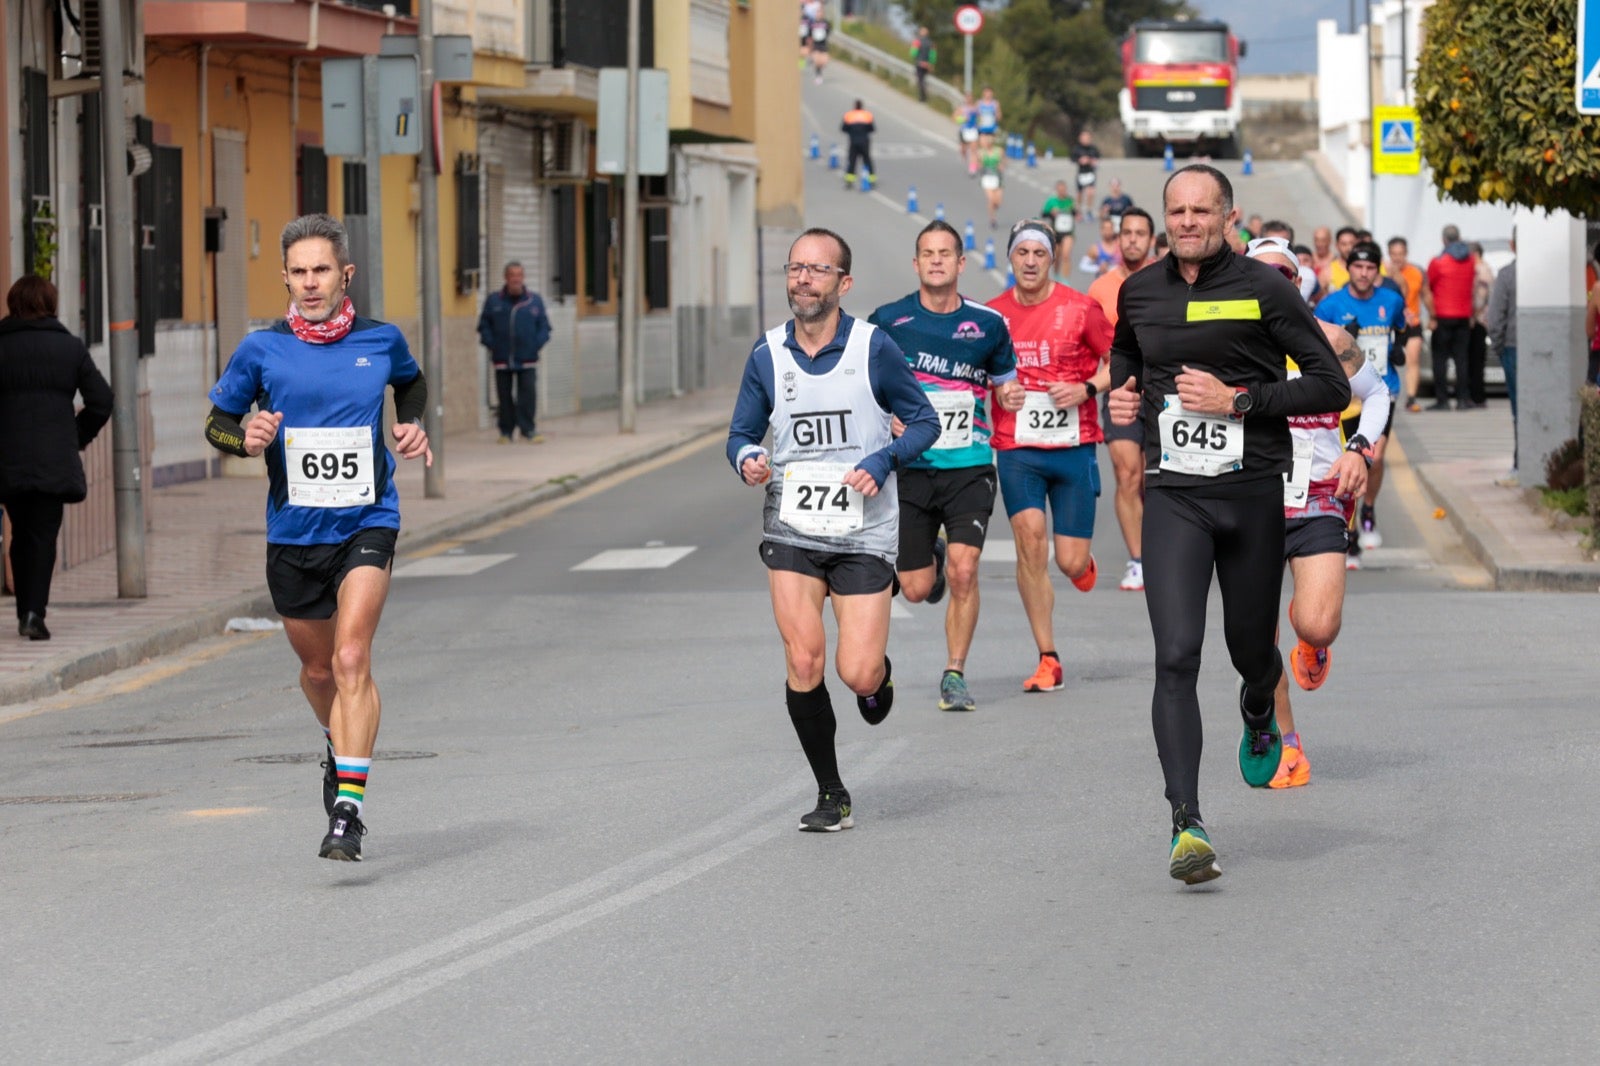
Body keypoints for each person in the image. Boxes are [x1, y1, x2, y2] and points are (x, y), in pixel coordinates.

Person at [1105, 165, 1350, 884]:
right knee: (1176, 654)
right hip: (1175, 493)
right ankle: (1186, 822)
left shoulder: (1264, 288)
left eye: (1201, 210)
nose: (1187, 221)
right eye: (1176, 211)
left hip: (1249, 495)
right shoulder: (1140, 289)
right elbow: (1127, 349)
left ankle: (1257, 707)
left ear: (1228, 216)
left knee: (1251, 650)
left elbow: (1330, 384)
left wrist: (1238, 401)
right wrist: (1121, 394)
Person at [203, 213, 432, 862]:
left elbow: (410, 385)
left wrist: (410, 426)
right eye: (298, 272)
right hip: (293, 533)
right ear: (285, 276)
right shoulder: (261, 350)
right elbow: (218, 420)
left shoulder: (381, 340)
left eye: (321, 270)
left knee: (351, 658)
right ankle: (340, 747)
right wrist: (242, 438)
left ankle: (348, 813)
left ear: (345, 274)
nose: (310, 283)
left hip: (367, 521)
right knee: (316, 669)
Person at [726, 228, 939, 832]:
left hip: (864, 531)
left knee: (858, 673)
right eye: (797, 268)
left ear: (843, 284)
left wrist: (883, 459)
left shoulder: (874, 348)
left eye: (818, 270)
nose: (804, 279)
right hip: (793, 523)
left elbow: (923, 422)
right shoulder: (767, 354)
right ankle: (831, 793)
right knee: (804, 658)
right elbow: (741, 432)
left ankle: (880, 678)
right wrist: (746, 458)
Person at [1243, 239, 1389, 791]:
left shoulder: (1328, 341)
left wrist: (1360, 448)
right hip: (1249, 499)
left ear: (1300, 282)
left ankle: (1313, 641)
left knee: (1316, 620)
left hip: (1318, 496)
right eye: (1262, 273)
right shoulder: (1223, 345)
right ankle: (1285, 741)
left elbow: (1377, 396)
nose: (1274, 282)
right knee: (1259, 635)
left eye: (1285, 273)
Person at [869, 221, 1024, 713]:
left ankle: (954, 673)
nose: (936, 261)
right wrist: (886, 418)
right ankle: (929, 555)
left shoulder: (988, 324)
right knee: (915, 588)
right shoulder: (888, 322)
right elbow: (864, 392)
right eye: (927, 254)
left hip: (969, 466)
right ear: (916, 264)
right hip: (910, 468)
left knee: (964, 570)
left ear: (961, 263)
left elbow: (1006, 387)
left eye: (945, 253)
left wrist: (1011, 395)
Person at [987, 220, 1114, 693]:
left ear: (1053, 258)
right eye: (1022, 253)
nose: (1031, 261)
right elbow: (973, 373)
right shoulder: (990, 315)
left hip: (1073, 445)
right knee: (1030, 541)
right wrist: (1000, 391)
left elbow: (1120, 359)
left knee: (1069, 561)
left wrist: (1086, 387)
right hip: (1017, 448)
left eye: (1039, 253)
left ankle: (1082, 564)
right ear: (1011, 258)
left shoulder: (1081, 309)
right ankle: (1048, 656)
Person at [0, 275, 114, 641]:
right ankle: (34, 612)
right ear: (51, 305)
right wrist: (75, 438)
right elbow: (102, 400)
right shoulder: (70, 348)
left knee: (19, 531)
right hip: (53, 459)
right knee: (44, 535)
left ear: (13, 304)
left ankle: (25, 610)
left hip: (8, 458)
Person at [1315, 240, 1407, 558]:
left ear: (1377, 270)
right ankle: (1348, 528)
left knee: (1375, 458)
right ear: (1348, 268)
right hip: (1342, 396)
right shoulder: (1329, 305)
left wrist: (1399, 348)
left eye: (1370, 268)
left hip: (1382, 391)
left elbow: (1403, 328)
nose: (1364, 273)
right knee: (1347, 460)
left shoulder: (1392, 301)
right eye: (1358, 267)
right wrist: (1344, 334)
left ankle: (1367, 509)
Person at [1087, 208, 1157, 591]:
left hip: (1164, 395)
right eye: (1125, 233)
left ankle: (1164, 552)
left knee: (1155, 481)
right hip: (1121, 394)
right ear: (1117, 240)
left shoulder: (1167, 279)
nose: (1132, 239)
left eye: (1139, 233)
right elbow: (1090, 347)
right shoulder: (1100, 289)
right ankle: (1139, 560)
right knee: (1127, 474)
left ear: (1150, 239)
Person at [477, 261, 551, 444]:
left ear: (523, 277)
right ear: (506, 278)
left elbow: (544, 327)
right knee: (504, 397)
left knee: (528, 395)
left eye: (519, 275)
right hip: (502, 358)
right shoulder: (494, 301)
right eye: (512, 275)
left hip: (528, 358)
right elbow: (484, 326)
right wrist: (492, 344)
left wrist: (536, 344)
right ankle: (506, 431)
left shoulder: (534, 301)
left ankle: (528, 429)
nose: (516, 279)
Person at [1426, 224, 1477, 410]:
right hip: (1464, 315)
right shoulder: (1471, 260)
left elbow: (1429, 286)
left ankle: (1443, 400)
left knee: (1440, 360)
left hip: (1443, 316)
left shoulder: (1438, 261)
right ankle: (1463, 399)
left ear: (1444, 240)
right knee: (1462, 359)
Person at [1486, 230, 1518, 485]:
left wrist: (1499, 347)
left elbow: (1495, 317)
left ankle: (1520, 466)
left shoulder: (1508, 274)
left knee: (1520, 410)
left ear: (1513, 244)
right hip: (1523, 347)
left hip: (1513, 348)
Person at [1385, 236, 1431, 411]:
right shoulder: (1382, 273)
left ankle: (1411, 397)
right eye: (1394, 254)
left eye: (1401, 254)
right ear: (1389, 254)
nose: (1397, 258)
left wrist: (1433, 316)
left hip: (1412, 322)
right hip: (1390, 324)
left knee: (1413, 358)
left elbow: (1426, 294)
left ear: (1406, 253)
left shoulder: (1416, 272)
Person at [1468, 241, 1496, 406]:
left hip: (1478, 321)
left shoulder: (1481, 270)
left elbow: (1479, 298)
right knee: (1475, 360)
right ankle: (1476, 395)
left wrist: (1471, 314)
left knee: (1476, 361)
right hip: (1480, 320)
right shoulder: (1484, 269)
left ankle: (1477, 396)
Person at [1040, 180, 1077, 277]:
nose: (1062, 192)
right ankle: (1056, 276)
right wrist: (1051, 213)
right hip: (1056, 233)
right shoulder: (1051, 201)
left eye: (1063, 189)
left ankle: (1066, 280)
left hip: (1068, 232)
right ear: (1057, 190)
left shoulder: (1070, 200)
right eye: (1060, 190)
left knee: (1066, 255)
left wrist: (1074, 212)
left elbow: (1076, 212)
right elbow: (1043, 214)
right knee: (1056, 257)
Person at [841, 100, 876, 190]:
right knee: (867, 161)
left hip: (853, 141)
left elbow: (844, 129)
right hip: (864, 141)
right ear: (862, 106)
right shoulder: (867, 115)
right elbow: (871, 129)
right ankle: (871, 180)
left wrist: (852, 132)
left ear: (854, 106)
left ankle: (849, 181)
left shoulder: (849, 115)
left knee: (852, 161)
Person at [1073, 130, 1101, 221]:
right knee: (1079, 194)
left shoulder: (1093, 148)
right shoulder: (1077, 148)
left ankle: (1089, 211)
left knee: (1090, 192)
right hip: (1081, 174)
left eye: (1087, 138)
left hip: (1090, 173)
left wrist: (1091, 161)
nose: (1085, 139)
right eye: (1083, 137)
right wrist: (1080, 160)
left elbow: (1097, 159)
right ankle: (1078, 211)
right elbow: (1072, 158)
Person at [977, 136, 1004, 229]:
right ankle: (993, 219)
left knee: (998, 202)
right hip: (987, 178)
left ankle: (994, 207)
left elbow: (1003, 162)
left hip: (997, 178)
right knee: (991, 199)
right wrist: (979, 166)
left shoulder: (999, 151)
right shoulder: (981, 153)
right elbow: (978, 164)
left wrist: (1001, 165)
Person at [909, 26, 937, 103]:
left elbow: (913, 53)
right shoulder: (931, 43)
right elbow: (933, 55)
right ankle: (923, 96)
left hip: (919, 62)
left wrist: (915, 56)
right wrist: (931, 64)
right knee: (923, 78)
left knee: (920, 79)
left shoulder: (917, 41)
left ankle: (922, 96)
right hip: (927, 64)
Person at [955, 94, 980, 173]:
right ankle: (964, 155)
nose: (969, 99)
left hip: (973, 131)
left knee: (973, 150)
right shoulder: (961, 108)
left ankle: (972, 168)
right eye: (967, 98)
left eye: (970, 98)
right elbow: (954, 118)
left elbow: (980, 118)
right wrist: (963, 119)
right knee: (963, 149)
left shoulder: (975, 109)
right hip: (964, 130)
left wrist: (978, 122)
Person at [808, 13, 831, 84]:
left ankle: (819, 69)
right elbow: (810, 35)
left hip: (823, 45)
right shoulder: (812, 23)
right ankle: (818, 76)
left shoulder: (826, 23)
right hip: (815, 45)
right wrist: (810, 46)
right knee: (817, 61)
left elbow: (828, 32)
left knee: (824, 61)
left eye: (820, 14)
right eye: (817, 14)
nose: (819, 15)